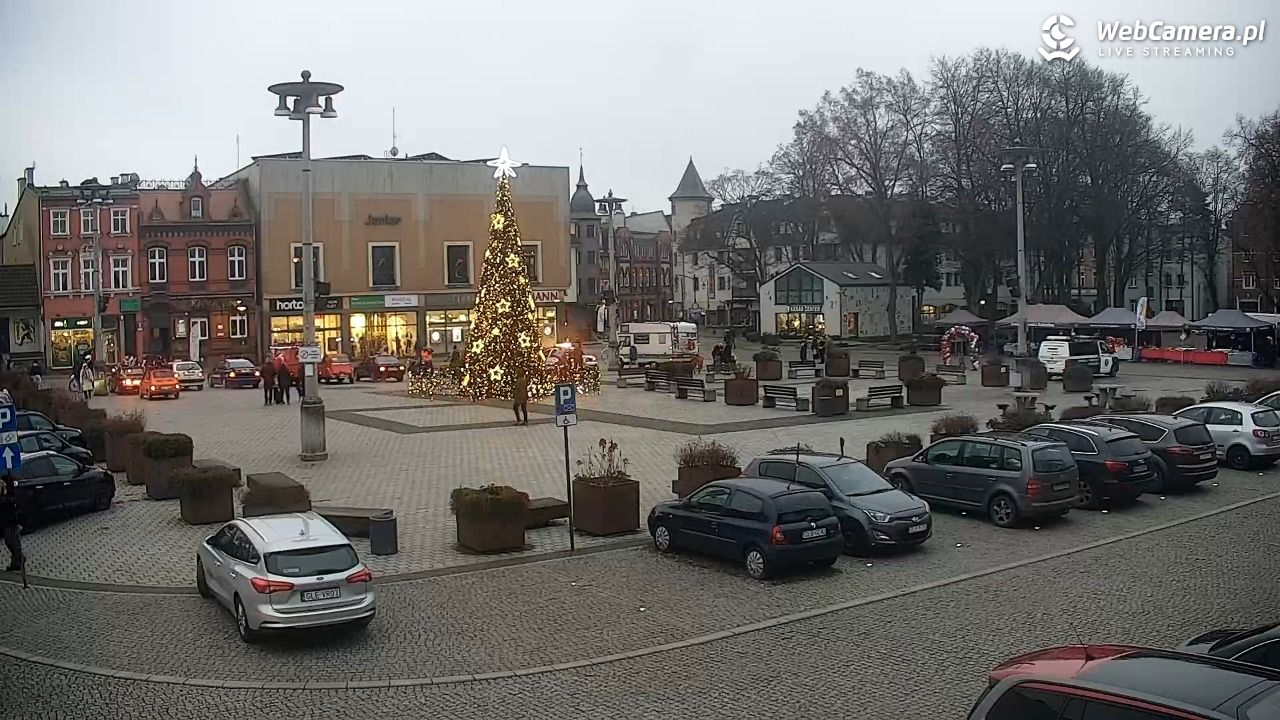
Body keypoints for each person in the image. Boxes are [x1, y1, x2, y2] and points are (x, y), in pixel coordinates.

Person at [1, 475, 22, 573]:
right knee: (10, 542)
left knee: (11, 542)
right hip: (5, 522)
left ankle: (18, 560)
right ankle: (17, 560)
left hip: (10, 522)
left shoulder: (8, 499)